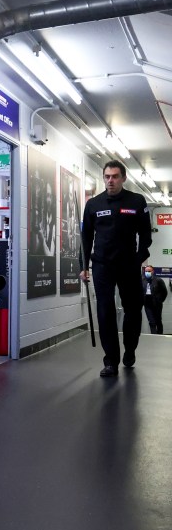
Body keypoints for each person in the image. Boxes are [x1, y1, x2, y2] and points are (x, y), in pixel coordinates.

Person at [80, 160, 152, 376]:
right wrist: (84, 267)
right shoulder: (93, 204)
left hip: (128, 265)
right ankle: (110, 360)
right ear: (104, 178)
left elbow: (146, 236)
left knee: (133, 310)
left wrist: (138, 258)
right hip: (102, 265)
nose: (110, 180)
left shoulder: (137, 201)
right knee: (105, 311)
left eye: (115, 176)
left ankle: (130, 349)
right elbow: (86, 238)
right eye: (107, 177)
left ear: (123, 178)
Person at [142, 264, 167, 334]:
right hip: (147, 303)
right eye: (146, 271)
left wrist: (160, 300)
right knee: (151, 321)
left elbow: (164, 292)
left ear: (153, 271)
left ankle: (160, 335)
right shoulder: (142, 280)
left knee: (158, 320)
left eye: (149, 271)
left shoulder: (158, 280)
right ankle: (154, 336)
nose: (147, 273)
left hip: (157, 303)